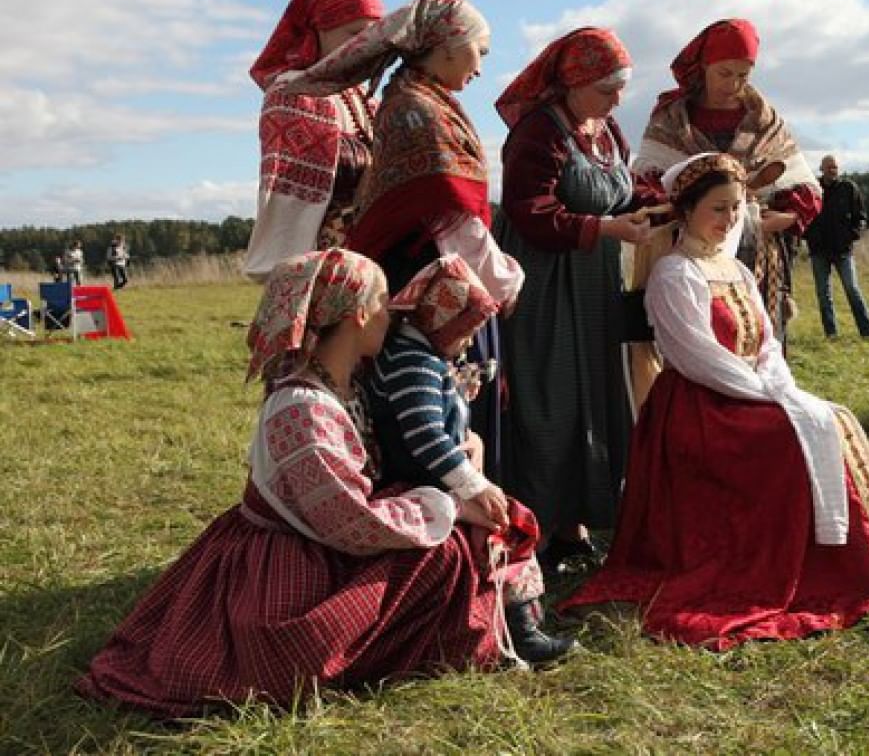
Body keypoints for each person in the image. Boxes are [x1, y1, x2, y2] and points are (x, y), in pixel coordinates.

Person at [76, 250, 544, 718]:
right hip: (284, 569)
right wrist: (453, 506)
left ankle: (493, 627)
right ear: (359, 315)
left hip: (330, 540)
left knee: (458, 544)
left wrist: (468, 449)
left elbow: (417, 436)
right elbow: (351, 520)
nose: (394, 315)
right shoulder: (302, 409)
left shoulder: (353, 384)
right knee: (447, 553)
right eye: (384, 303)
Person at [562, 154, 869, 649]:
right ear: (687, 210)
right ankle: (787, 558)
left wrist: (783, 391)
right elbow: (697, 356)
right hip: (698, 410)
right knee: (788, 434)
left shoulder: (733, 268)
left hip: (745, 395)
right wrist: (770, 399)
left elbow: (767, 343)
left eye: (736, 207)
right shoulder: (676, 274)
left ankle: (824, 554)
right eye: (718, 208)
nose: (731, 218)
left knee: (830, 419)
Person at [275, 0, 522, 478]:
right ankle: (447, 517)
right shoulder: (419, 110)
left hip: (433, 279)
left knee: (443, 408)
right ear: (447, 45)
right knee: (437, 410)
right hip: (436, 292)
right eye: (480, 50)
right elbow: (452, 211)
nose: (481, 65)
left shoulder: (416, 99)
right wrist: (505, 281)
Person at [493, 27, 664, 568]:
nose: (617, 100)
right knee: (551, 400)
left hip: (593, 285)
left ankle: (577, 522)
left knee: (596, 395)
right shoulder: (537, 133)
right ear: (573, 83)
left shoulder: (607, 128)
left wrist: (674, 195)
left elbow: (626, 189)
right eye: (606, 88)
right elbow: (532, 214)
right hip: (545, 283)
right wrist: (608, 230)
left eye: (621, 88)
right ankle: (535, 533)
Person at [363, 255, 574, 664]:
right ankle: (519, 629)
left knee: (502, 525)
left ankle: (518, 620)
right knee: (506, 525)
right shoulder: (413, 364)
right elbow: (424, 436)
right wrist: (474, 485)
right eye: (467, 331)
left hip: (433, 480)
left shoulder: (420, 355)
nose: (470, 341)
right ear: (444, 321)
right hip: (420, 484)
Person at [634, 18, 821, 344]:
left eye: (743, 75)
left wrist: (789, 216)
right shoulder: (672, 120)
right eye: (724, 73)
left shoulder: (764, 120)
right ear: (704, 66)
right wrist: (685, 214)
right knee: (698, 343)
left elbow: (802, 185)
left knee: (756, 342)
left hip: (757, 255)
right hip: (687, 256)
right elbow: (644, 184)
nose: (734, 84)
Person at [243, 0, 384, 282]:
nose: (365, 45)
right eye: (354, 33)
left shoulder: (366, 101)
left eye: (373, 36)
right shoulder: (292, 93)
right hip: (321, 269)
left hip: (372, 261)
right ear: (318, 30)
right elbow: (289, 202)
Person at [804, 155, 869, 338]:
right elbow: (804, 217)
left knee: (852, 289)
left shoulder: (849, 188)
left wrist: (852, 235)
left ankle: (867, 331)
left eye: (834, 167)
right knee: (823, 294)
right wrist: (809, 237)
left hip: (843, 250)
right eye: (828, 167)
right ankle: (831, 333)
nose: (832, 170)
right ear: (821, 168)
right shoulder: (813, 189)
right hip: (819, 250)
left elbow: (861, 217)